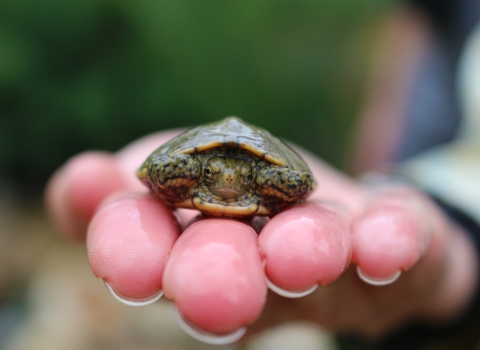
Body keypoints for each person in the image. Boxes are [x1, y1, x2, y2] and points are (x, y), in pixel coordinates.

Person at [45, 1, 480, 349]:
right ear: (205, 169)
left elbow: (299, 182)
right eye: (217, 169)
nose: (228, 178)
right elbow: (155, 171)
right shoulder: (191, 170)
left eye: (239, 171)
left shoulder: (264, 179)